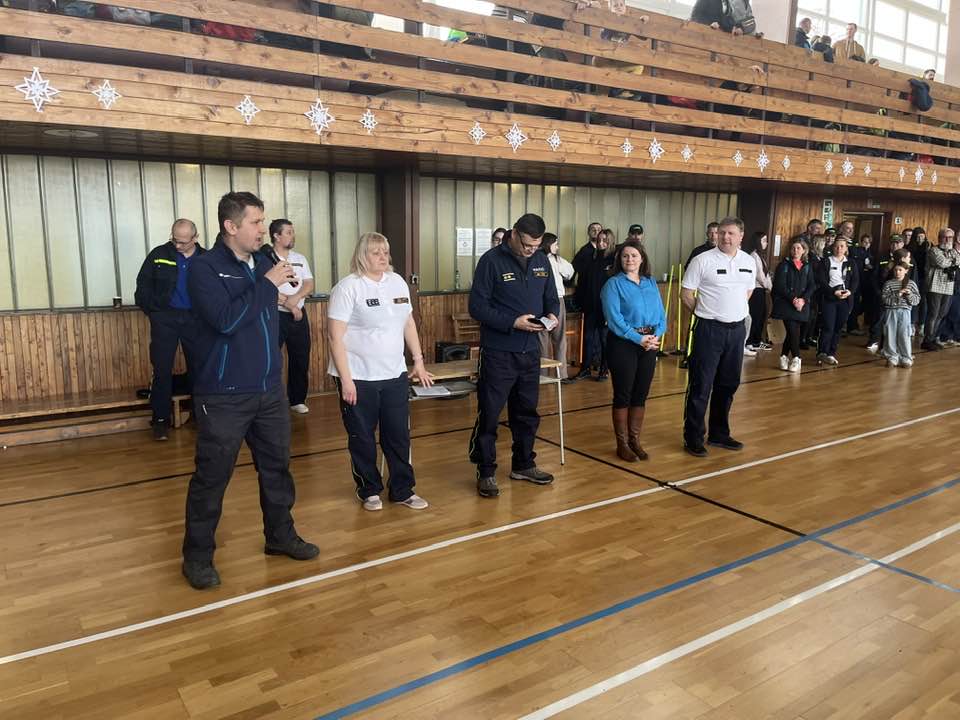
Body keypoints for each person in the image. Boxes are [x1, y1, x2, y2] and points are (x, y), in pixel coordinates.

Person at [181, 191, 318, 590]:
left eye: (262, 221)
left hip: (268, 390)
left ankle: (280, 536)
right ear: (231, 226)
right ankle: (197, 557)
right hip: (224, 393)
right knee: (212, 477)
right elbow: (226, 319)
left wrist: (282, 291)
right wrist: (267, 284)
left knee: (277, 469)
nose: (263, 229)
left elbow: (268, 306)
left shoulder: (263, 263)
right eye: (256, 222)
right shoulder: (205, 268)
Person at [327, 232, 432, 512]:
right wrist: (346, 380)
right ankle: (369, 489)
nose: (383, 257)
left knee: (398, 435)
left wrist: (418, 361)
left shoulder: (397, 282)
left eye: (385, 251)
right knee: (362, 436)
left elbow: (408, 323)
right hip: (358, 376)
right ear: (363, 256)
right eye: (376, 252)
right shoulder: (348, 288)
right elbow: (335, 338)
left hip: (394, 373)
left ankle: (402, 489)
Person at [468, 213, 558, 499]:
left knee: (527, 412)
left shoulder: (542, 260)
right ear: (514, 234)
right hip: (498, 352)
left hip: (530, 351)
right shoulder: (491, 261)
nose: (531, 250)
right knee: (490, 414)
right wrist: (512, 322)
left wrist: (553, 314)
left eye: (536, 246)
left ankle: (523, 464)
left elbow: (551, 297)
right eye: (527, 244)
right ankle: (486, 471)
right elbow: (477, 307)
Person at [680, 217, 754, 457]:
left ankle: (719, 434)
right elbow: (686, 294)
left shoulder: (749, 261)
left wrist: (732, 311)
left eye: (731, 233)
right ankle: (693, 437)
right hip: (709, 330)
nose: (725, 237)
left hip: (737, 331)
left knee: (728, 384)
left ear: (741, 236)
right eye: (722, 233)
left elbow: (748, 291)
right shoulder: (702, 260)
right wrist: (706, 312)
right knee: (701, 385)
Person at [135, 219, 204, 441]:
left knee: (199, 369)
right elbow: (142, 285)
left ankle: (200, 417)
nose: (178, 246)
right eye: (175, 240)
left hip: (195, 320)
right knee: (162, 369)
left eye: (183, 242)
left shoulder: (206, 259)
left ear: (195, 238)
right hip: (165, 318)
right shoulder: (158, 254)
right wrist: (155, 312)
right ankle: (160, 421)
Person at [601, 240, 666, 462]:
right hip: (624, 344)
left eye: (634, 255)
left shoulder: (650, 282)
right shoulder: (613, 284)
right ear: (619, 260)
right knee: (623, 394)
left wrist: (656, 335)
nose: (630, 259)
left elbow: (661, 314)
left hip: (649, 344)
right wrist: (639, 339)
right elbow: (614, 319)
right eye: (625, 256)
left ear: (642, 259)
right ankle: (622, 444)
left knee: (641, 394)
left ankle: (634, 440)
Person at [269, 219, 315, 414]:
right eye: (288, 232)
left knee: (300, 357)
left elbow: (309, 284)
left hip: (298, 315)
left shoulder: (300, 258)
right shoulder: (266, 258)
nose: (292, 235)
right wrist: (288, 303)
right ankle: (272, 400)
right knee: (272, 359)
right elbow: (265, 287)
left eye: (292, 232)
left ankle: (297, 400)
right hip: (276, 315)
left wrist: (295, 300)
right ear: (276, 236)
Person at [573, 222, 612, 380]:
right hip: (590, 305)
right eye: (599, 240)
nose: (601, 243)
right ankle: (585, 369)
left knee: (604, 339)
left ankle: (604, 369)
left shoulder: (613, 261)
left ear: (609, 242)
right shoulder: (590, 257)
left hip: (605, 308)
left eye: (604, 241)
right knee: (588, 338)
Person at [771, 239, 815, 373]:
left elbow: (811, 285)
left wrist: (803, 300)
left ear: (804, 250)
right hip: (787, 303)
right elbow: (780, 285)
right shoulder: (783, 265)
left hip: (802, 304)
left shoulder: (807, 266)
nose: (795, 251)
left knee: (793, 332)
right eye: (793, 248)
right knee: (792, 329)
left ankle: (784, 356)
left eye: (798, 248)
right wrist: (794, 299)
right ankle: (797, 357)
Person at [815, 236, 859, 365]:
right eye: (836, 246)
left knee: (838, 327)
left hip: (845, 298)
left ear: (846, 249)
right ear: (833, 248)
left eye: (842, 246)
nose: (839, 249)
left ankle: (831, 353)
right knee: (828, 325)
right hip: (830, 297)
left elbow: (855, 280)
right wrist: (833, 292)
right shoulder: (826, 261)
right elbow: (821, 280)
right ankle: (822, 352)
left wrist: (850, 291)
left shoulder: (851, 262)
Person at [539, 233, 574, 380]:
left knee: (542, 339)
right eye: (556, 244)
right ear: (549, 244)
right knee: (559, 338)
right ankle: (561, 374)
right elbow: (570, 273)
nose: (557, 247)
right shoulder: (556, 260)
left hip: (539, 301)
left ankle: (542, 374)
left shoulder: (535, 258)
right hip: (557, 300)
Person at [867, 234, 906, 354]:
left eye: (898, 243)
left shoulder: (906, 258)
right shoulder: (882, 256)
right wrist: (877, 292)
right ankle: (873, 341)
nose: (895, 245)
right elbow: (874, 276)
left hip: (898, 295)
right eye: (893, 243)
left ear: (902, 244)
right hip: (882, 293)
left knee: (892, 322)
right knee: (878, 318)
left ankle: (886, 346)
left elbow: (909, 277)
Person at [921, 228, 959, 351]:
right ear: (939, 238)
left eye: (950, 237)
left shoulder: (953, 251)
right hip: (934, 287)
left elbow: (958, 261)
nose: (947, 240)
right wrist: (953, 261)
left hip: (948, 287)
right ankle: (927, 340)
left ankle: (932, 338)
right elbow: (942, 263)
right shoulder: (933, 250)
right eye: (945, 237)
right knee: (933, 314)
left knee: (942, 314)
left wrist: (952, 261)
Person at [881, 262, 921, 368]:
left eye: (900, 270)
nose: (897, 272)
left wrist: (909, 295)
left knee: (904, 335)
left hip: (905, 311)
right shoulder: (889, 284)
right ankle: (892, 357)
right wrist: (898, 294)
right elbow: (885, 299)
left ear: (906, 271)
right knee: (890, 334)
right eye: (895, 270)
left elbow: (916, 300)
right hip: (891, 311)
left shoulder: (911, 284)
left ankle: (906, 358)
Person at [744, 231, 772, 353]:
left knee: (761, 315)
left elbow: (767, 274)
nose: (766, 243)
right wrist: (768, 286)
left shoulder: (760, 256)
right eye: (764, 240)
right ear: (757, 242)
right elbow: (760, 276)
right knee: (755, 316)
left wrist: (770, 287)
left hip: (762, 290)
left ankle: (757, 340)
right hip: (755, 290)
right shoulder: (753, 256)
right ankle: (750, 342)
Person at [847, 234, 874, 334]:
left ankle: (854, 324)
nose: (866, 244)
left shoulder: (870, 254)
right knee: (854, 304)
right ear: (861, 242)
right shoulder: (855, 250)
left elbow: (872, 267)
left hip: (865, 282)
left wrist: (869, 265)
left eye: (868, 242)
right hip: (856, 281)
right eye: (864, 242)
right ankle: (851, 326)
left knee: (864, 304)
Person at [907, 227, 930, 334]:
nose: (920, 239)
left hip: (924, 277)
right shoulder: (910, 247)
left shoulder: (928, 246)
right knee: (912, 300)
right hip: (913, 277)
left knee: (924, 301)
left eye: (922, 236)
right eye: (918, 237)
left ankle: (922, 324)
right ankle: (912, 323)